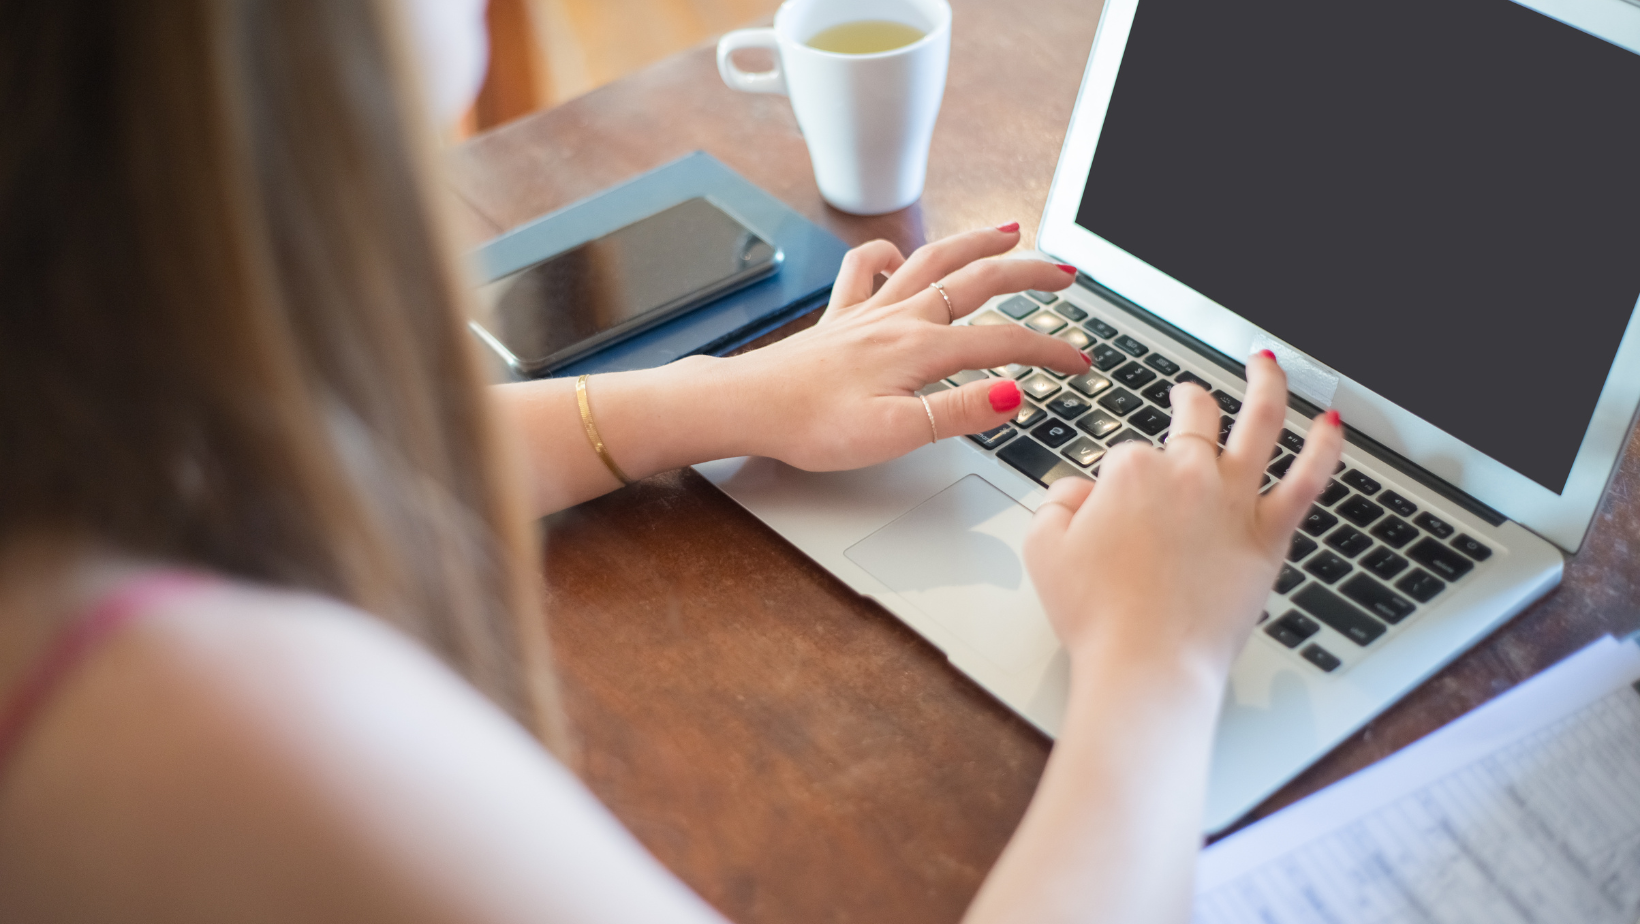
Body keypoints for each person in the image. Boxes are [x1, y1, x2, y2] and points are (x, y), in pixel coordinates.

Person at [0, 1, 1343, 922]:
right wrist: (1156, 662)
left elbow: (274, 463)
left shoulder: (78, 400)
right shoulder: (225, 724)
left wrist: (724, 398)